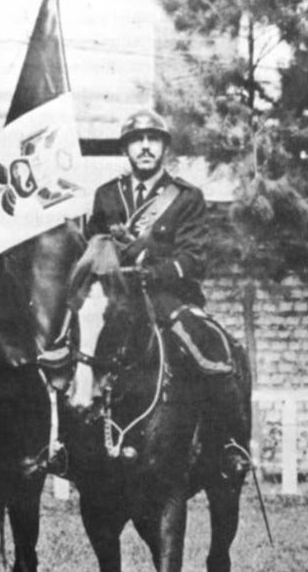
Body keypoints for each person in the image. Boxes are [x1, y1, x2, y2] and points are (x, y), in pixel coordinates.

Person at [85, 109, 249, 480]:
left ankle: (228, 444)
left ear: (164, 148)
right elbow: (93, 248)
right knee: (74, 348)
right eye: (136, 140)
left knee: (211, 350)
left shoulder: (186, 198)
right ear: (126, 149)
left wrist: (153, 271)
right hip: (116, 300)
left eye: (152, 140)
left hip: (169, 298)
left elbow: (193, 259)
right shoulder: (106, 195)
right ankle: (70, 445)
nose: (145, 147)